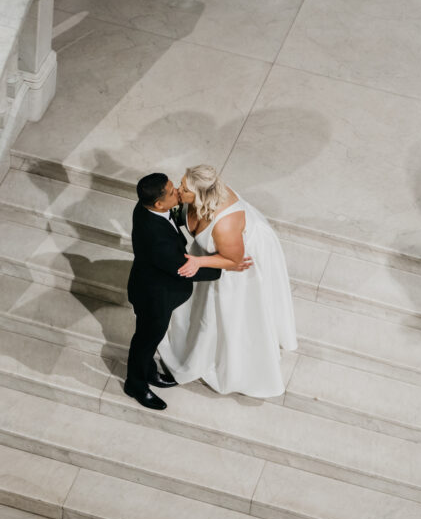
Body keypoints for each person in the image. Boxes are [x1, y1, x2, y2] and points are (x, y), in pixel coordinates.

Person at [160, 165, 297, 399]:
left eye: (184, 188)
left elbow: (234, 261)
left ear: (201, 195)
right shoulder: (203, 197)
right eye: (181, 183)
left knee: (214, 318)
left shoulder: (224, 225)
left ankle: (206, 360)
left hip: (233, 263)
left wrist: (198, 262)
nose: (178, 189)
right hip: (218, 253)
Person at [124, 172, 252, 411]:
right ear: (159, 203)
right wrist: (226, 267)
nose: (178, 193)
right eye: (173, 192)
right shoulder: (156, 238)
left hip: (148, 282)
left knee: (148, 339)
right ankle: (136, 384)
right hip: (154, 297)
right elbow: (182, 268)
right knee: (145, 341)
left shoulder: (148, 207)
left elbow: (174, 217)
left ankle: (149, 370)